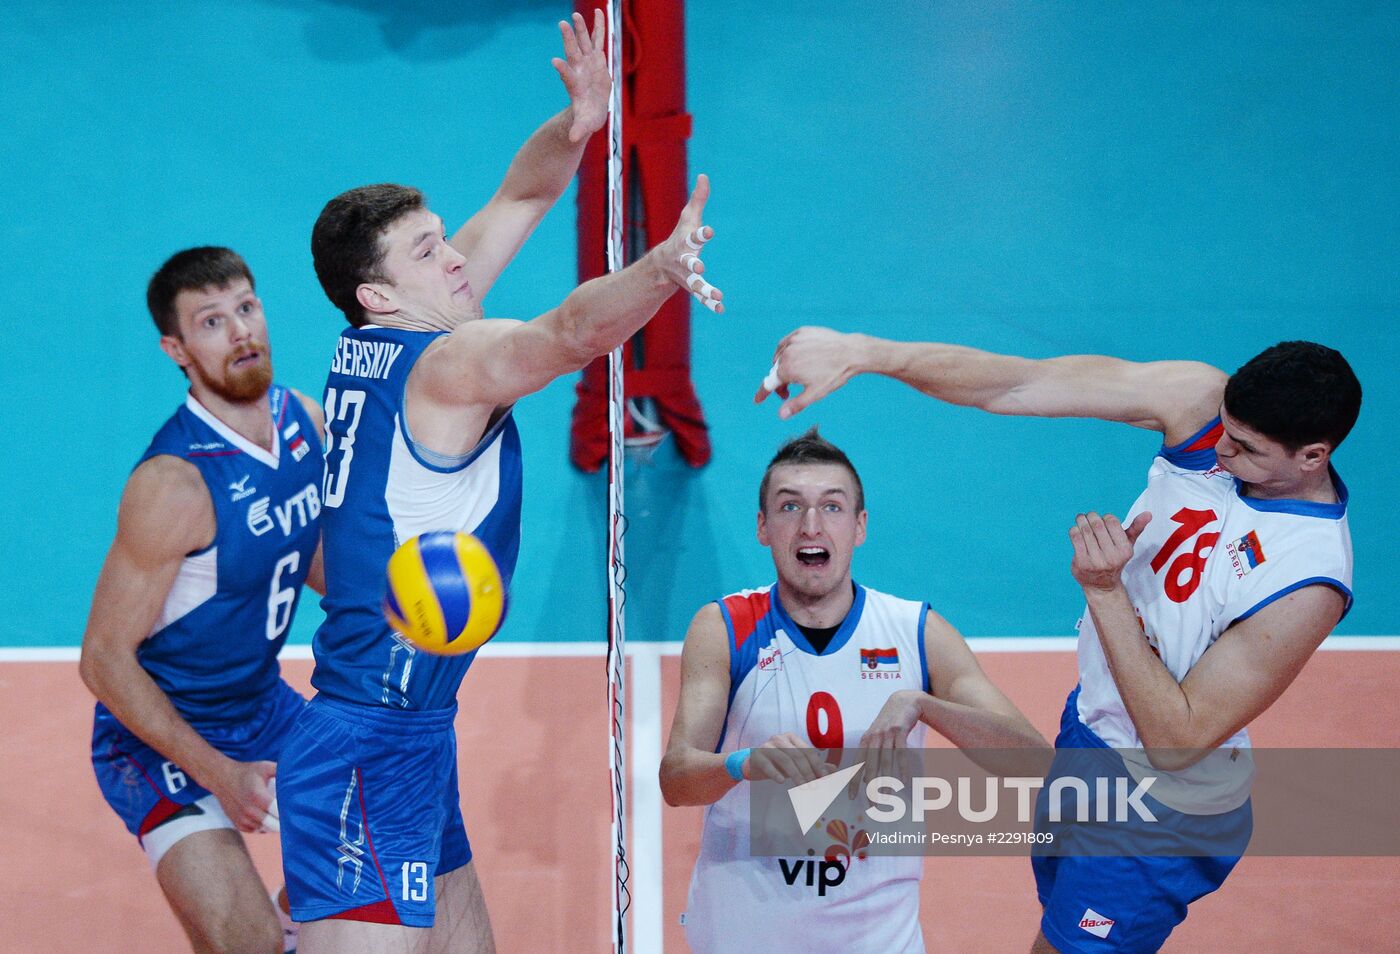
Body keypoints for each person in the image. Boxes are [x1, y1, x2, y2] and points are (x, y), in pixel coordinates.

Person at [275, 11, 724, 952]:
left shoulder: (381, 336)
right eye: (432, 250)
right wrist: (658, 268)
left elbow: (522, 196)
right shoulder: (448, 365)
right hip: (370, 741)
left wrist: (579, 122)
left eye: (443, 238)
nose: (457, 256)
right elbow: (565, 336)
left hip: (410, 732)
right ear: (381, 293)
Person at [756, 327, 1360, 953]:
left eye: (1247, 448)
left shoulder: (1307, 577)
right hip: (1089, 736)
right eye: (1226, 429)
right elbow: (1020, 382)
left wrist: (1104, 592)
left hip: (1160, 810)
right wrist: (867, 353)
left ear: (1312, 455)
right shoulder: (1202, 403)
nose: (1221, 450)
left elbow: (1177, 739)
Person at [659, 428, 1047, 953]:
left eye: (833, 507)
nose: (811, 525)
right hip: (744, 938)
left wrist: (925, 705)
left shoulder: (916, 632)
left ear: (860, 526)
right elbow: (677, 779)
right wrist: (741, 765)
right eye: (790, 507)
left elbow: (1035, 763)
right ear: (763, 528)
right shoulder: (725, 627)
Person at [80, 246, 326, 954]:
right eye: (212, 322)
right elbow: (102, 661)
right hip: (157, 739)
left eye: (247, 308)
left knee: (397, 853)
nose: (241, 331)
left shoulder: (300, 421)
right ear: (176, 349)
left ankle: (292, 917)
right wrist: (219, 773)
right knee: (245, 943)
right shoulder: (172, 484)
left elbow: (307, 552)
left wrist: (404, 605)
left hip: (261, 706)